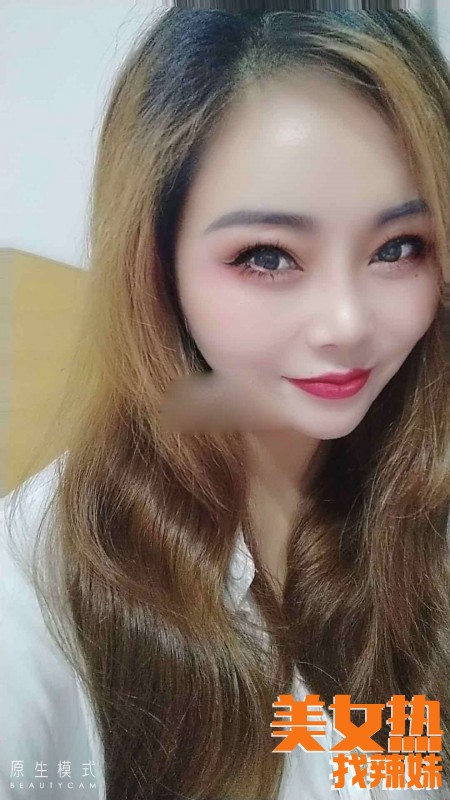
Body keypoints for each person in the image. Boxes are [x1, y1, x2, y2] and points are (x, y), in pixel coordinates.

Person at [2, 5, 450, 800]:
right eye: (268, 256)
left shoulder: (424, 494)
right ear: (159, 262)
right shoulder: (45, 582)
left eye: (398, 247)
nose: (346, 324)